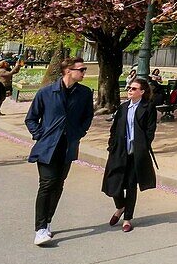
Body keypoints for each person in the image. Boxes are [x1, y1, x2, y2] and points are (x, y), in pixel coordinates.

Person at [26, 57, 95, 246]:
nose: (84, 73)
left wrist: (79, 133)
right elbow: (31, 118)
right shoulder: (47, 92)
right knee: (47, 184)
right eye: (81, 69)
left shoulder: (85, 93)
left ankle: (47, 222)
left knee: (58, 185)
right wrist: (40, 135)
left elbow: (88, 116)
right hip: (47, 146)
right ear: (68, 71)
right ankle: (40, 228)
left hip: (68, 146)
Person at [102, 77, 157, 232]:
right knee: (113, 182)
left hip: (136, 153)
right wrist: (111, 145)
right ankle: (120, 206)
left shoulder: (148, 107)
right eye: (129, 88)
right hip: (119, 151)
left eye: (133, 88)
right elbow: (114, 129)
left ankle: (127, 219)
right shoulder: (123, 107)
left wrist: (144, 145)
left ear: (142, 91)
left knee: (131, 186)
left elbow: (150, 130)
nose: (130, 91)